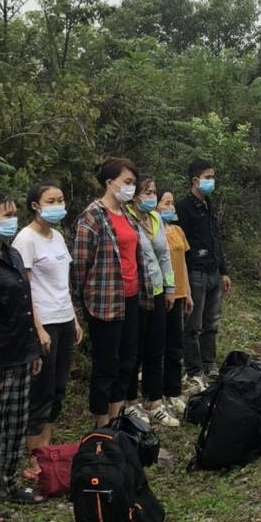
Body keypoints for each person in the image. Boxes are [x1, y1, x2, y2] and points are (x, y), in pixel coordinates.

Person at [0, 191, 44, 516]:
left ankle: (9, 483)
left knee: (16, 426)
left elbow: (26, 303)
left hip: (22, 353)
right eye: (6, 214)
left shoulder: (13, 254)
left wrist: (33, 350)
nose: (11, 220)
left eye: (14, 213)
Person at [72, 159, 153, 427]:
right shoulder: (92, 216)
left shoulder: (128, 214)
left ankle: (116, 418)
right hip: (105, 302)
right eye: (127, 182)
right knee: (106, 364)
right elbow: (81, 265)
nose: (131, 188)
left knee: (127, 361)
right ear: (110, 182)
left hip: (131, 297)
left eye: (133, 183)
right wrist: (80, 305)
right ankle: (101, 424)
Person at [13, 182, 82, 475]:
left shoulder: (57, 237)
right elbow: (24, 288)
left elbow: (62, 283)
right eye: (51, 200)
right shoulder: (25, 240)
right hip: (44, 323)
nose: (58, 205)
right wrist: (37, 328)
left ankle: (48, 446)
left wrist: (75, 319)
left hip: (64, 318)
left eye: (61, 200)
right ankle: (34, 455)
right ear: (35, 205)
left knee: (57, 388)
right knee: (40, 391)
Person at [125, 176, 179, 426]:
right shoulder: (126, 218)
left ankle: (155, 401)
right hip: (136, 293)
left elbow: (164, 256)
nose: (152, 197)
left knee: (157, 347)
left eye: (154, 192)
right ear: (134, 195)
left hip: (158, 291)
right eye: (147, 192)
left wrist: (170, 287)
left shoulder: (155, 218)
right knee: (133, 349)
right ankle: (130, 402)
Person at [176, 159, 232, 381]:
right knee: (193, 324)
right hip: (195, 273)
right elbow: (182, 245)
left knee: (212, 322)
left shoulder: (210, 205)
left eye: (213, 177)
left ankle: (210, 364)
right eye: (208, 177)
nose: (211, 181)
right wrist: (185, 277)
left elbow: (216, 239)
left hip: (213, 272)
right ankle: (194, 369)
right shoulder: (183, 207)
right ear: (195, 180)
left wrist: (223, 270)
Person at [156, 188, 197, 414]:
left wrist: (188, 292)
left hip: (180, 293)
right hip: (162, 294)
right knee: (158, 345)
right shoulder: (153, 232)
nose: (171, 208)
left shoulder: (178, 231)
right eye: (166, 203)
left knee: (175, 345)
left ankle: (173, 391)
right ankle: (157, 393)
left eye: (172, 203)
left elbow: (183, 264)